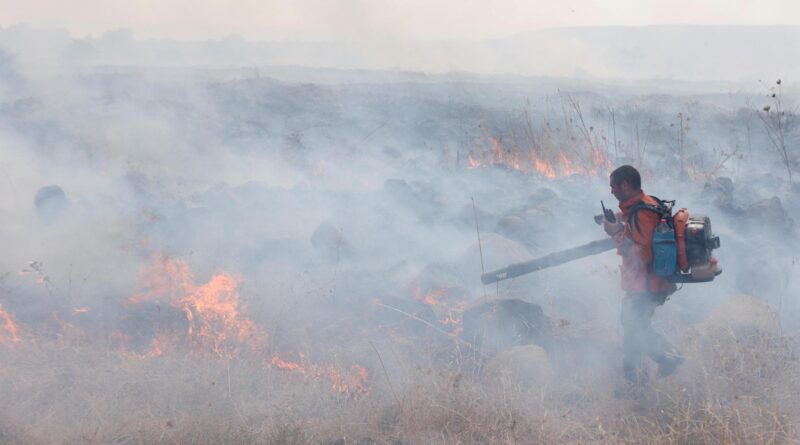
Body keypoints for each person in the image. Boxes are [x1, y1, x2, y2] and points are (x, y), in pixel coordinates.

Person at [602, 165, 683, 385]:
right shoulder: (647, 203)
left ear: (625, 185)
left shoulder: (642, 212)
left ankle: (652, 371)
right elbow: (638, 231)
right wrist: (620, 222)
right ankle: (638, 380)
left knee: (635, 331)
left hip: (646, 286)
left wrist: (616, 232)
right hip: (648, 284)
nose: (611, 191)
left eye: (613, 186)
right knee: (634, 327)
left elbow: (642, 254)